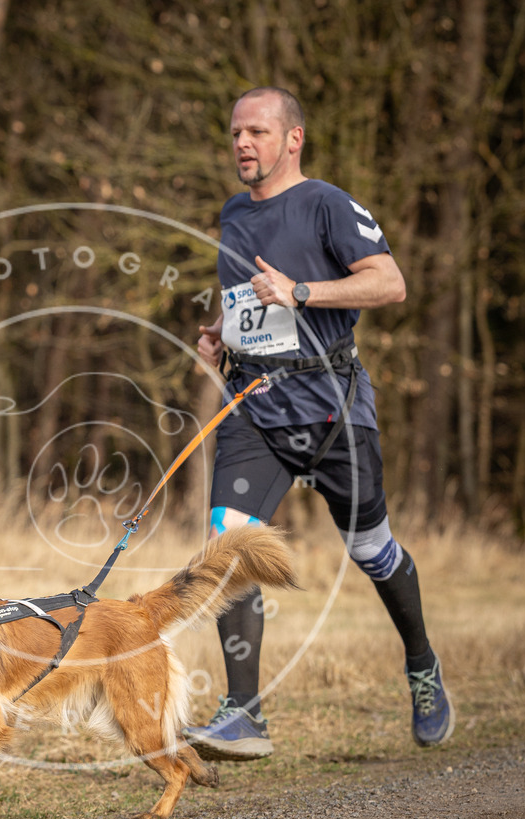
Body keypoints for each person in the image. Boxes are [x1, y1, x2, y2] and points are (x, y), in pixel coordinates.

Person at [182, 86, 454, 761]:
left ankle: (422, 663)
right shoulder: (233, 213)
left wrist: (302, 292)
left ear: (293, 139)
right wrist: (220, 332)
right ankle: (243, 713)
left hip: (333, 409)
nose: (243, 143)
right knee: (229, 548)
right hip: (255, 409)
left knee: (372, 552)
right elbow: (250, 299)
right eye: (236, 132)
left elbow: (389, 282)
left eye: (257, 131)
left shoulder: (328, 204)